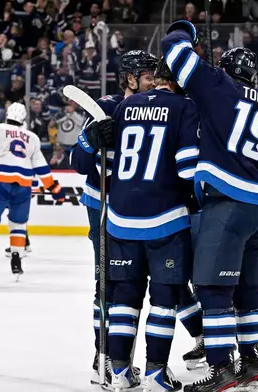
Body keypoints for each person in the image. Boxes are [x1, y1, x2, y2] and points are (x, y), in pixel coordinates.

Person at [159, 20, 258, 391]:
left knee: (211, 288)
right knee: (251, 292)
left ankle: (222, 370)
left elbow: (173, 48)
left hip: (227, 203)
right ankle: (255, 368)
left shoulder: (216, 85)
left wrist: (186, 31)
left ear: (225, 70)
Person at [82, 58, 200, 391]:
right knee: (164, 300)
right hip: (164, 218)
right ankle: (154, 374)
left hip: (119, 217)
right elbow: (187, 168)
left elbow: (99, 163)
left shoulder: (124, 106)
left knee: (123, 298)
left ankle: (117, 372)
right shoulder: (184, 107)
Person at [70, 49, 159, 387]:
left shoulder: (157, 110)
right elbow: (78, 163)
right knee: (106, 283)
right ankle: (102, 356)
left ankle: (120, 359)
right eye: (148, 75)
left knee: (134, 286)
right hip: (104, 205)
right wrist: (93, 140)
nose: (153, 81)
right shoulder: (105, 108)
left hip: (139, 209)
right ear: (130, 79)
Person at [0, 103, 65, 284]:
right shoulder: (32, 137)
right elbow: (41, 167)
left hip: (0, 181)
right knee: (18, 224)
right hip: (24, 185)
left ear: (7, 115)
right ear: (23, 120)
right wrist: (54, 189)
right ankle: (17, 261)